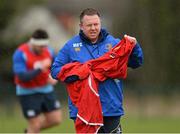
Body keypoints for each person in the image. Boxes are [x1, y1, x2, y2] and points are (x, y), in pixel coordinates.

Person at [51, 8, 143, 133]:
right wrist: (80, 72)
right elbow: (55, 71)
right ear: (81, 26)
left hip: (111, 108)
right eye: (89, 25)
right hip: (83, 109)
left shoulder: (114, 43)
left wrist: (135, 46)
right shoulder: (70, 47)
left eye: (96, 24)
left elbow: (136, 63)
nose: (93, 28)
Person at [12, 29, 62, 133]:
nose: (43, 49)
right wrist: (40, 68)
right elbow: (22, 76)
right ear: (32, 43)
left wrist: (54, 76)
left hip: (46, 89)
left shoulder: (49, 50)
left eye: (45, 46)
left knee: (56, 119)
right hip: (28, 92)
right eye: (40, 46)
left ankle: (29, 131)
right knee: (35, 124)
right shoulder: (20, 53)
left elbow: (56, 66)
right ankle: (32, 130)